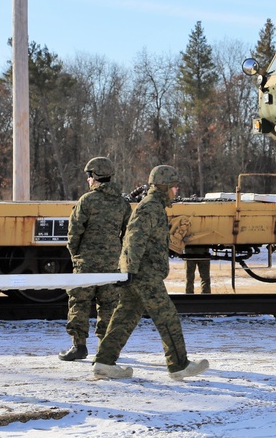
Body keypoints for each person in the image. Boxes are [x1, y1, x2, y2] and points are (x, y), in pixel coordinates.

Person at [92, 165, 209, 380]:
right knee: (167, 317)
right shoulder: (151, 207)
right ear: (164, 187)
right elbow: (134, 239)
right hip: (144, 275)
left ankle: (104, 363)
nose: (177, 190)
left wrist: (129, 272)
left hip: (139, 274)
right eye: (174, 186)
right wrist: (130, 271)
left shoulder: (154, 206)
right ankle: (179, 365)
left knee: (123, 318)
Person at [58, 157, 132, 361]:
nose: (88, 180)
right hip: (112, 264)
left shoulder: (87, 201)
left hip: (86, 264)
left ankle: (78, 346)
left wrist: (76, 256)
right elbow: (128, 235)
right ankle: (105, 348)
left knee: (79, 303)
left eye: (89, 176)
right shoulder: (122, 204)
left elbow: (73, 234)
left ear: (96, 177)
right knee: (109, 305)